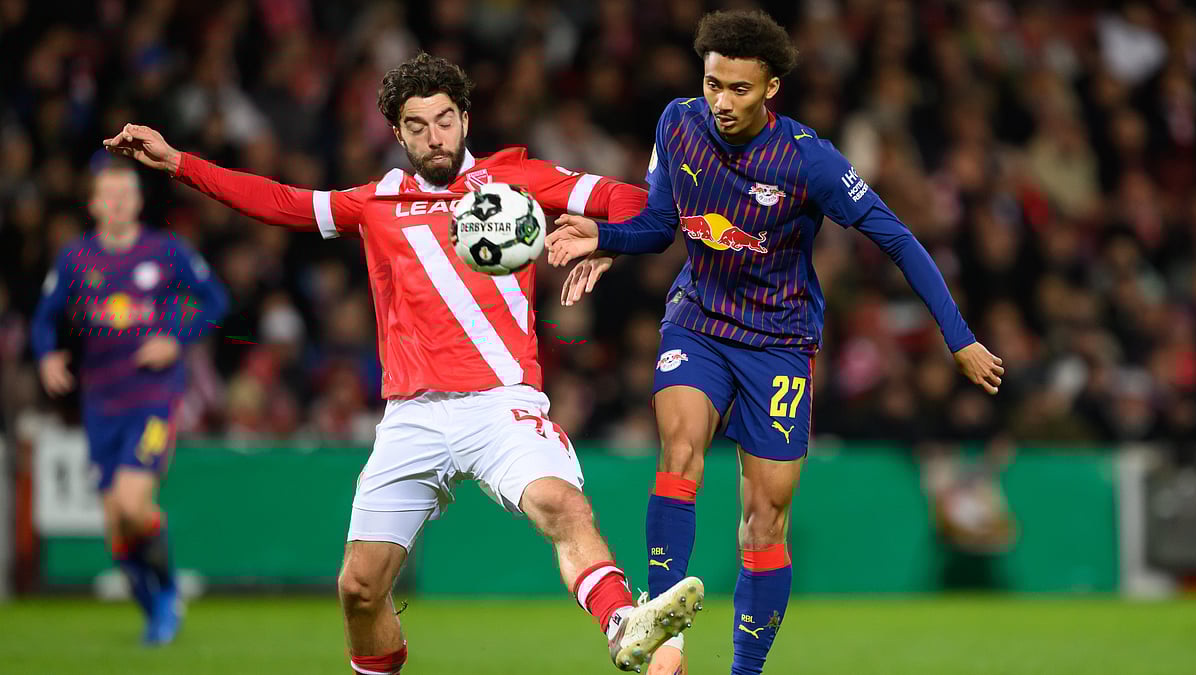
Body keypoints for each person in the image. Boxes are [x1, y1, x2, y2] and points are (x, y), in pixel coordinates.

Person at [103, 53, 703, 674]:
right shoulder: (377, 202)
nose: (433, 136)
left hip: (503, 405)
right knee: (359, 589)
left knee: (564, 507)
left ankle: (621, 625)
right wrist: (179, 163)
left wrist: (606, 241)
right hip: (411, 417)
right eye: (417, 125)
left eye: (445, 120)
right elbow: (280, 202)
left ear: (465, 118)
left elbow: (633, 199)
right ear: (397, 132)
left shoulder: (514, 179)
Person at [546, 10, 1005, 675]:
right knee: (680, 450)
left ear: (770, 89)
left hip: (780, 343)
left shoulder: (808, 159)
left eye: (738, 89)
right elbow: (657, 223)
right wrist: (605, 236)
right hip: (698, 321)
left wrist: (957, 337)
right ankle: (656, 625)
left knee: (764, 520)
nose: (721, 102)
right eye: (712, 85)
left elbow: (898, 239)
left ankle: (745, 670)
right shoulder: (677, 123)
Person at [31, 159, 230, 645]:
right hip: (100, 400)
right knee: (116, 530)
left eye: (126, 194)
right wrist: (47, 357)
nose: (118, 202)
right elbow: (44, 319)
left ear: (138, 202)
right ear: (95, 203)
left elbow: (215, 300)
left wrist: (175, 338)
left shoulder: (164, 252)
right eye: (109, 194)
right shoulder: (76, 259)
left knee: (131, 503)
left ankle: (165, 597)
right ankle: (157, 609)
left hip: (153, 396)